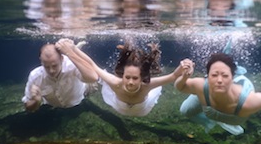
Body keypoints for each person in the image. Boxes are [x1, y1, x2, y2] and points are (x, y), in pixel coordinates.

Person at [57, 38, 193, 117]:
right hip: (118, 105)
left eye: (135, 78)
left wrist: (183, 66)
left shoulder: (147, 85)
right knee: (101, 75)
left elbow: (174, 76)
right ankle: (89, 86)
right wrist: (73, 49)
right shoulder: (116, 82)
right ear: (123, 76)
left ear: (142, 78)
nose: (130, 82)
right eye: (127, 77)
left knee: (156, 88)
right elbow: (93, 64)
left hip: (143, 109)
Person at [175, 52, 261, 135]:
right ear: (207, 76)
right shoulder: (201, 85)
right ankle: (210, 122)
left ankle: (233, 68)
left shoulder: (248, 102)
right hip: (210, 98)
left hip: (236, 103)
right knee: (185, 110)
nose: (219, 81)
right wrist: (185, 76)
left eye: (225, 76)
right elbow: (180, 87)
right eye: (214, 75)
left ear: (232, 77)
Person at [22, 40, 98, 112]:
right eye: (47, 67)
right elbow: (28, 107)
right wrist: (36, 101)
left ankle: (76, 51)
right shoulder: (35, 76)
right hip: (54, 106)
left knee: (93, 85)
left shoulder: (71, 65)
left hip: (83, 92)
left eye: (54, 66)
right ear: (41, 62)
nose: (51, 71)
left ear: (62, 59)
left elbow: (93, 78)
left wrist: (70, 52)